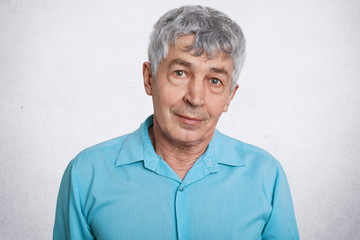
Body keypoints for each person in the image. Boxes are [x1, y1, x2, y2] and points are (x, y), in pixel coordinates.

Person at [53, 5, 299, 239]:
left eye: (215, 81)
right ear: (149, 79)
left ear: (229, 97)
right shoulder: (86, 174)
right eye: (180, 73)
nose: (195, 98)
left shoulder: (267, 175)